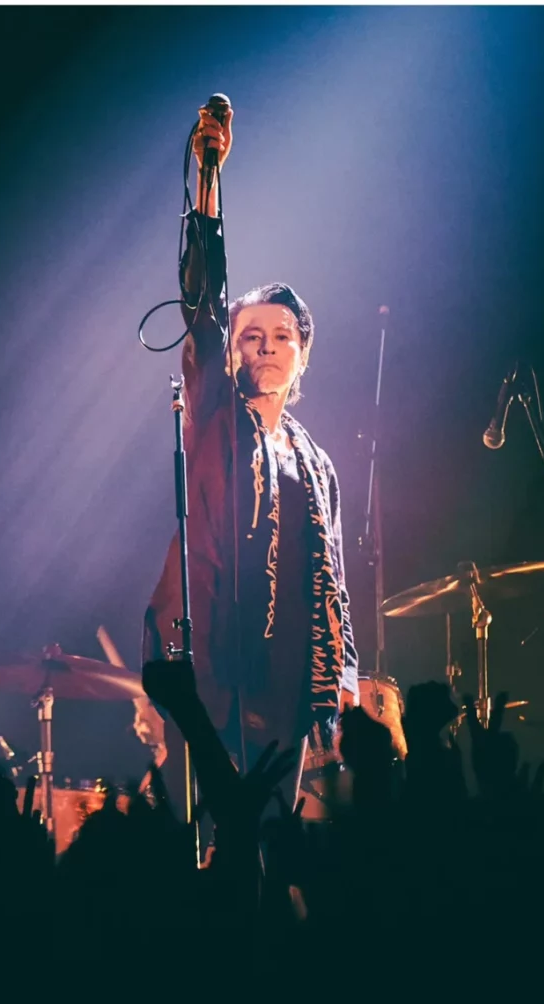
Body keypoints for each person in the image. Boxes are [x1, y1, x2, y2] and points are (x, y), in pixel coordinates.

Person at [138, 102, 359, 815]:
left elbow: (332, 581)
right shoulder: (216, 419)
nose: (264, 345)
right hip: (211, 682)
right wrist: (209, 183)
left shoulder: (315, 462)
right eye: (249, 335)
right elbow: (203, 306)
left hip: (288, 692)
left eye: (281, 335)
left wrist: (340, 679)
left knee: (269, 849)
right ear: (230, 353)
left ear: (303, 356)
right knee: (210, 847)